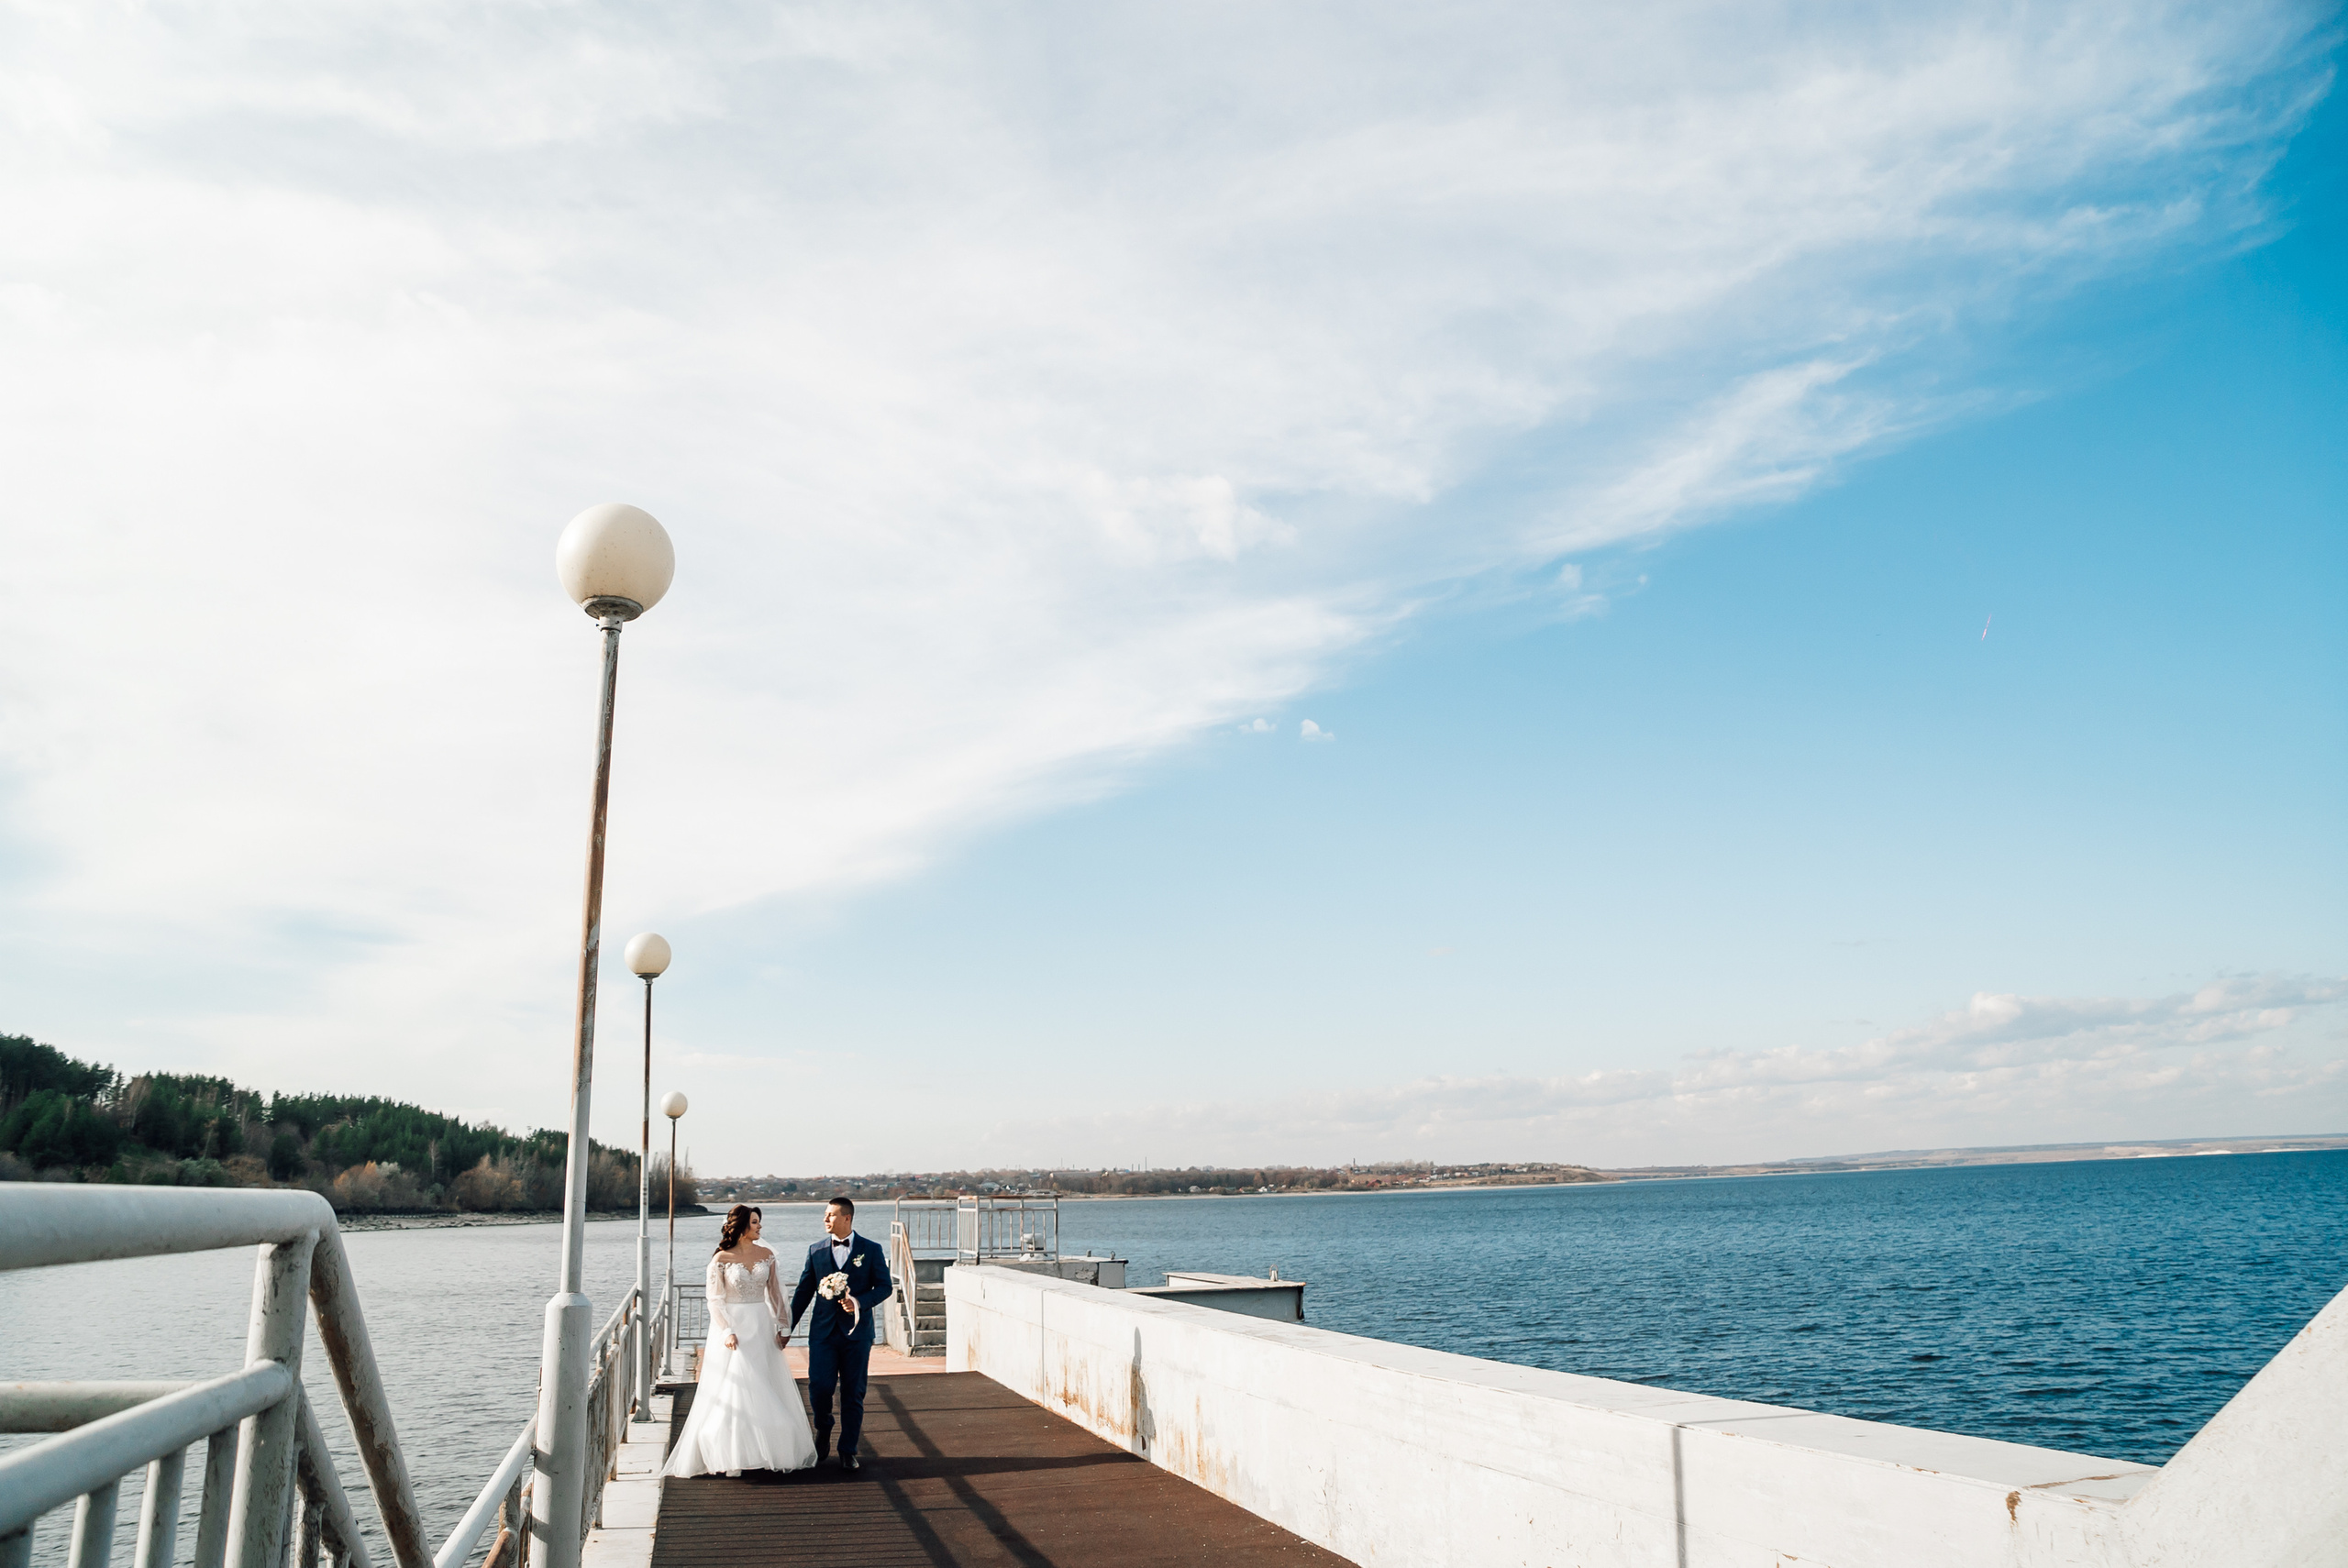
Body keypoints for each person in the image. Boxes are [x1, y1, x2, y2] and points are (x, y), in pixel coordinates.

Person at [660, 1205, 818, 1478]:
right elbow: (715, 1300)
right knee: (738, 1382)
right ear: (742, 1226)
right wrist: (727, 1331)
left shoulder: (767, 1256)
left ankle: (767, 1447)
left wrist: (783, 1325)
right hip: (734, 1326)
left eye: (759, 1222)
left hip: (761, 1323)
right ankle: (733, 1450)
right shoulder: (721, 1258)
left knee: (762, 1379)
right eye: (755, 1222)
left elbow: (777, 1294)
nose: (760, 1227)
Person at [789, 1196, 894, 1473]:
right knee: (819, 1388)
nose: (825, 1219)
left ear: (847, 1218)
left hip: (857, 1335)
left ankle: (848, 1450)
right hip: (823, 1333)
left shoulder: (871, 1250)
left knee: (853, 1392)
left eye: (831, 1215)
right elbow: (803, 1292)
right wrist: (785, 1327)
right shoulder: (815, 1251)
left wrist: (858, 1301)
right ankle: (823, 1427)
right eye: (825, 1215)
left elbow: (885, 1287)